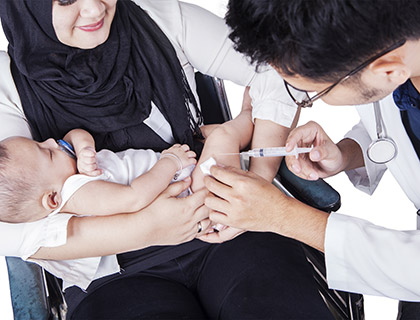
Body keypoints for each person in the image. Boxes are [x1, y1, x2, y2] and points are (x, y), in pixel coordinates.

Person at [0, 0, 333, 319]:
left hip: (223, 222)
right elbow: (10, 217)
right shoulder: (7, 83)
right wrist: (145, 228)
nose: (95, 8)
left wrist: (256, 184)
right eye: (67, 0)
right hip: (114, 272)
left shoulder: (161, 17)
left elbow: (275, 69)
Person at [203, 0, 420, 318]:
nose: (303, 100)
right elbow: (399, 127)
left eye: (310, 94)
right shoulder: (394, 52)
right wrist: (345, 154)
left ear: (388, 70)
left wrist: (281, 215)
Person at [0, 128, 197, 223]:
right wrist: (170, 162)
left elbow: (74, 134)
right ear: (52, 199)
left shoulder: (65, 171)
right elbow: (135, 197)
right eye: (48, 152)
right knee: (223, 137)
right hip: (182, 184)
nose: (51, 141)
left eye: (40, 142)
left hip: (177, 171)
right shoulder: (80, 194)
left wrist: (84, 147)